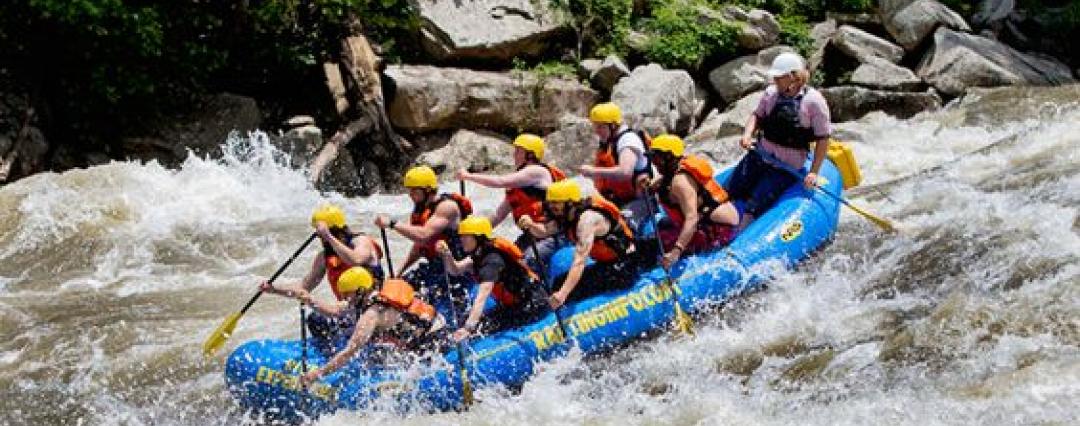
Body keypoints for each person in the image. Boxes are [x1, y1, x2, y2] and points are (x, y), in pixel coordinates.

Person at [259, 205, 383, 353]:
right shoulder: (324, 257)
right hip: (347, 309)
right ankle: (334, 353)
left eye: (321, 234)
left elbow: (355, 260)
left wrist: (328, 237)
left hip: (372, 308)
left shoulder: (361, 242)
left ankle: (359, 349)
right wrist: (273, 289)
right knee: (316, 320)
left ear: (335, 231)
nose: (320, 238)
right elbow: (304, 286)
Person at [728, 52, 832, 228]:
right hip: (760, 155)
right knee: (732, 190)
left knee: (754, 205)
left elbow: (823, 138)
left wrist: (813, 172)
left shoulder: (814, 101)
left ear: (792, 77)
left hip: (786, 168)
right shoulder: (771, 93)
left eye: (778, 77)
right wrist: (747, 134)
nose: (774, 81)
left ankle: (737, 238)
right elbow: (757, 116)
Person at [298, 267, 447, 385]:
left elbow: (349, 352)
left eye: (347, 295)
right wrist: (310, 300)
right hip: (430, 329)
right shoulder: (369, 295)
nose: (344, 299)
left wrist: (317, 374)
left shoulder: (372, 314)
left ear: (360, 291)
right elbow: (335, 310)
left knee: (375, 357)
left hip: (432, 342)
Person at [373, 166, 473, 324]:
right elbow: (420, 248)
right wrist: (399, 273)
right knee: (400, 288)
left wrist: (392, 224)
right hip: (435, 267)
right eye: (409, 191)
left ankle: (452, 324)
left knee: (431, 295)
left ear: (427, 190)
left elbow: (424, 235)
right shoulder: (421, 209)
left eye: (414, 191)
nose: (411, 195)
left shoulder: (446, 207)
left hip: (457, 268)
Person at [518, 180, 639, 308]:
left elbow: (580, 261)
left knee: (566, 290)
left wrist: (562, 294)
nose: (551, 207)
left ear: (570, 202)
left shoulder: (587, 221)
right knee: (559, 283)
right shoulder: (567, 215)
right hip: (606, 264)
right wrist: (531, 225)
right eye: (549, 203)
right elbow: (544, 231)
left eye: (555, 202)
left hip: (624, 266)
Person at [457, 134, 567, 272]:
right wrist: (473, 231)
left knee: (529, 260)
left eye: (518, 151)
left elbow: (501, 181)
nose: (514, 155)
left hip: (552, 233)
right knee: (509, 259)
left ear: (530, 155)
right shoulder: (518, 185)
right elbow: (498, 215)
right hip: (531, 234)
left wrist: (469, 176)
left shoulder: (537, 172)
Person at [435, 216, 548, 341]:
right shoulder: (479, 254)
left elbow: (483, 295)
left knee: (482, 326)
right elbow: (455, 270)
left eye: (465, 236)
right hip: (514, 304)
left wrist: (468, 328)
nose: (461, 240)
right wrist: (447, 254)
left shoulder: (493, 260)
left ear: (478, 237)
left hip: (532, 304)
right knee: (478, 323)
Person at [648, 135, 739, 268]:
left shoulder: (680, 183)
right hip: (708, 222)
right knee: (662, 226)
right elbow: (668, 178)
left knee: (657, 243)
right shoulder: (677, 167)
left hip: (719, 230)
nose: (654, 162)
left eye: (656, 157)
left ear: (669, 157)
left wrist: (676, 251)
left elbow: (692, 219)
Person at [579, 102, 654, 234]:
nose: (596, 131)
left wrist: (593, 172)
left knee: (620, 229)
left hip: (639, 201)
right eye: (595, 126)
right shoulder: (609, 141)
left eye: (600, 127)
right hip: (617, 199)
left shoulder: (628, 140)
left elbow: (625, 172)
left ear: (613, 125)